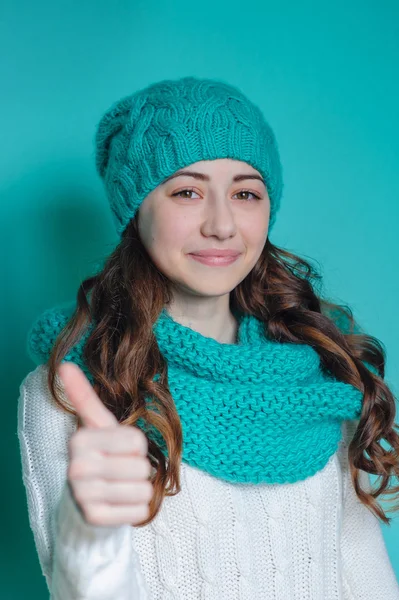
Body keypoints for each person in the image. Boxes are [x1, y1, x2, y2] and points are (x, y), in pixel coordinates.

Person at [17, 76, 399, 599]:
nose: (221, 225)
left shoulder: (319, 374)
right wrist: (90, 529)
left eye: (245, 193)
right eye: (187, 191)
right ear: (135, 213)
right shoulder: (71, 387)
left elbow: (368, 580)